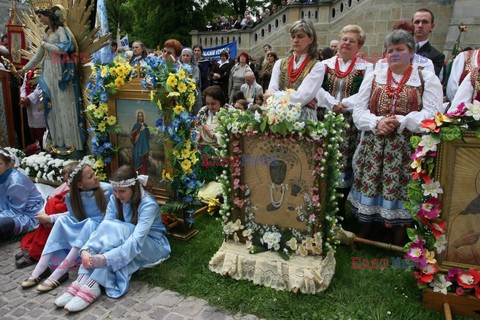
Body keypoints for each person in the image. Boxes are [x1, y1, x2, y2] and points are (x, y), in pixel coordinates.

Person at [347, 29, 442, 245]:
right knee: (372, 181)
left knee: (402, 185)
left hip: (406, 146)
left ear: (411, 53)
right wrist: (377, 122)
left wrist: (402, 121)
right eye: (390, 50)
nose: (394, 54)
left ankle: (400, 228)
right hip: (374, 142)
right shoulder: (373, 76)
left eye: (400, 49)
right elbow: (359, 112)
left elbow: (433, 113)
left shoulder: (426, 77)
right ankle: (367, 224)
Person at [55, 166, 170, 312]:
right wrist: (86, 250)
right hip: (124, 241)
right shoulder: (115, 198)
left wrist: (104, 259)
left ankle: (93, 283)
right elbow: (104, 228)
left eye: (122, 191)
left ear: (134, 188)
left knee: (121, 230)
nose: (117, 195)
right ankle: (81, 279)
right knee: (110, 227)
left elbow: (135, 242)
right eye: (115, 190)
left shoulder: (148, 204)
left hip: (151, 246)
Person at [21, 161, 113, 292]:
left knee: (89, 223)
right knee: (62, 220)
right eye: (91, 177)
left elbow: (114, 213)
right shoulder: (71, 197)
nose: (96, 177)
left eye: (94, 174)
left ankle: (59, 271)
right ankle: (39, 270)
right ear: (80, 185)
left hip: (100, 230)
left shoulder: (107, 190)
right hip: (84, 227)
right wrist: (51, 218)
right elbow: (71, 215)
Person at [317, 25, 373, 215]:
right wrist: (332, 103)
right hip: (324, 117)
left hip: (349, 122)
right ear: (338, 42)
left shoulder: (366, 68)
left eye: (352, 41)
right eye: (344, 39)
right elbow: (317, 88)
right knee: (322, 157)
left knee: (344, 161)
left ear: (359, 46)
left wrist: (344, 104)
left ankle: (339, 209)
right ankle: (320, 203)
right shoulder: (325, 65)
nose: (347, 43)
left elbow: (365, 92)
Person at [19, 6, 85, 152]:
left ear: (48, 15)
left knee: (64, 105)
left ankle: (71, 141)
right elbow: (38, 56)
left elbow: (64, 48)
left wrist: (45, 44)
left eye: (41, 17)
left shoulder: (60, 30)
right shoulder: (46, 33)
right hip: (49, 70)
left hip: (60, 71)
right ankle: (58, 140)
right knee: (53, 106)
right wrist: (24, 69)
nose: (40, 20)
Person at [16, 162, 76, 268]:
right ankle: (36, 246)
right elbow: (51, 198)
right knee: (53, 204)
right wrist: (43, 212)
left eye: (70, 181)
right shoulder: (67, 188)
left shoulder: (81, 194)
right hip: (53, 219)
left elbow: (74, 213)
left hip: (71, 223)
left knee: (56, 207)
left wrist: (50, 218)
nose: (68, 184)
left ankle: (36, 251)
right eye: (66, 182)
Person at [267, 19, 326, 121]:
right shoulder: (280, 63)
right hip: (279, 118)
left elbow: (300, 98)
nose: (295, 40)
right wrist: (301, 100)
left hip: (304, 120)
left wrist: (274, 95)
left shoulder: (317, 66)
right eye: (293, 37)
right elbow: (270, 95)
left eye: (300, 36)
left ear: (311, 39)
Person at [0, 149, 44, 238]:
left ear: (8, 165)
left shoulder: (16, 182)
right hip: (6, 212)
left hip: (25, 216)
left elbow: (16, 211)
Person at [412, 8, 445, 77]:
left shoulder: (437, 56)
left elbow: (430, 79)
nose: (420, 25)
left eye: (425, 22)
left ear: (432, 27)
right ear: (411, 25)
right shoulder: (396, 49)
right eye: (417, 22)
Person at [20, 68, 46, 147]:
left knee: (42, 131)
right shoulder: (28, 72)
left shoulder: (44, 69)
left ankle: (44, 147)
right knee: (33, 130)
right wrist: (23, 97)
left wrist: (30, 98)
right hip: (29, 105)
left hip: (39, 102)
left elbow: (42, 86)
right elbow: (23, 87)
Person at [181, 48, 203, 114]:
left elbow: (195, 81)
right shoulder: (178, 67)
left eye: (187, 56)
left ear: (191, 57)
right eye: (183, 55)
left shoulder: (195, 68)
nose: (185, 57)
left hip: (193, 94)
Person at [130, 111, 150, 175]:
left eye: (141, 116)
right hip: (137, 147)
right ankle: (137, 176)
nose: (140, 117)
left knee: (144, 161)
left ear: (143, 117)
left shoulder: (145, 125)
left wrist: (145, 130)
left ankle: (143, 175)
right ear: (137, 117)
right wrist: (139, 130)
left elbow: (148, 135)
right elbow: (132, 135)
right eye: (139, 116)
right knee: (137, 160)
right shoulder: (136, 125)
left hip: (144, 147)